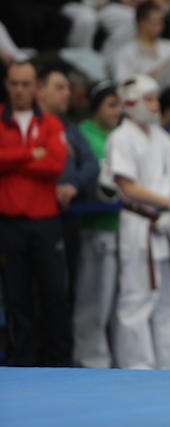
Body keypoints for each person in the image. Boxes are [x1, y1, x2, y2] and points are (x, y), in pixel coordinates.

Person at [107, 73, 170, 369]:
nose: (156, 105)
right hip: (139, 223)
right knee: (137, 298)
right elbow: (127, 187)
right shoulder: (120, 138)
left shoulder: (161, 136)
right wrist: (169, 202)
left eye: (156, 99)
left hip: (168, 224)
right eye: (149, 99)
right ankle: (137, 366)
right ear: (131, 102)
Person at [0, 61, 71, 366]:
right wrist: (31, 153)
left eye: (26, 83)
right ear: (6, 85)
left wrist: (10, 162)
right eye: (14, 83)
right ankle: (22, 360)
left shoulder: (51, 123)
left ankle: (60, 360)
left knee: (54, 293)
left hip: (45, 222)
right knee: (16, 295)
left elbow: (54, 165)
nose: (20, 89)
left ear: (36, 87)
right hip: (9, 223)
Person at [36, 67, 100, 293]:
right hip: (33, 219)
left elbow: (91, 164)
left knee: (68, 287)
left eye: (68, 88)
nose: (67, 93)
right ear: (40, 90)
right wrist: (49, 190)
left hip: (69, 218)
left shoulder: (70, 129)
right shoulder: (26, 126)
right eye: (59, 87)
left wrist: (74, 185)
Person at [74, 80, 122, 368]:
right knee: (94, 299)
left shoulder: (121, 134)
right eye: (111, 105)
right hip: (96, 226)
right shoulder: (83, 134)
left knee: (118, 303)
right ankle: (89, 361)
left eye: (120, 105)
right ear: (96, 107)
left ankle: (116, 361)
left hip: (123, 228)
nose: (117, 111)